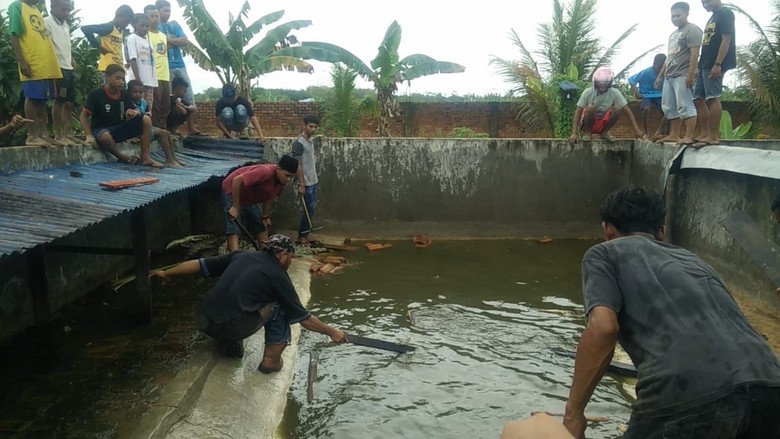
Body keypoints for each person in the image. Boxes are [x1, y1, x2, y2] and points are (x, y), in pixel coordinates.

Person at [563, 185, 780, 439]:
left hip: (687, 391)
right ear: (662, 232)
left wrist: (573, 414)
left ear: (607, 229)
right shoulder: (695, 260)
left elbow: (602, 328)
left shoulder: (603, 254)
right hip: (769, 384)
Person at [150, 234, 348, 372]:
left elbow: (199, 265)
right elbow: (304, 319)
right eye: (291, 257)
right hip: (232, 326)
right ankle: (270, 361)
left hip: (204, 321)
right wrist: (333, 332)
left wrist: (166, 273)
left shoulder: (241, 256)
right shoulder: (278, 276)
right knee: (282, 305)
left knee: (238, 298)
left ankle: (228, 340)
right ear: (282, 255)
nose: (291, 262)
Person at [80, 64, 163, 167]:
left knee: (146, 119)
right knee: (105, 137)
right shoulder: (96, 94)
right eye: (117, 78)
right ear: (107, 77)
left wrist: (134, 112)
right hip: (101, 130)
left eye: (123, 79)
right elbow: (84, 116)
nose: (121, 82)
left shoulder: (124, 94)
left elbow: (135, 109)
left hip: (119, 128)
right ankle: (122, 157)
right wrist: (89, 136)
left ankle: (145, 157)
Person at [9, 0, 63, 148]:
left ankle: (43, 134)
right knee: (32, 97)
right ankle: (32, 136)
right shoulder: (17, 6)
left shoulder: (36, 9)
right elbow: (14, 35)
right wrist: (22, 61)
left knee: (43, 99)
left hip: (45, 63)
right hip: (32, 61)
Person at [222, 155, 299, 252]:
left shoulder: (282, 182)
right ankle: (234, 256)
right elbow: (237, 180)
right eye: (287, 175)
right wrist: (235, 207)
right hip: (233, 189)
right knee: (234, 224)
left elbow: (270, 196)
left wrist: (265, 216)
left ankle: (266, 252)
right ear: (278, 169)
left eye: (291, 177)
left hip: (250, 195)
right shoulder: (265, 172)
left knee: (261, 224)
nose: (288, 179)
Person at [654, 2, 702, 147]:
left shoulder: (693, 30)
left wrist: (691, 74)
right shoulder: (673, 35)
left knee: (685, 105)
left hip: (683, 73)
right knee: (669, 107)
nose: (675, 18)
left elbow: (695, 54)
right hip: (670, 75)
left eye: (678, 15)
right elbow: (669, 58)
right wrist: (660, 76)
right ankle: (674, 134)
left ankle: (689, 135)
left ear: (687, 13)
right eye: (672, 16)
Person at [692, 0, 736, 148]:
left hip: (715, 63)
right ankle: (704, 133)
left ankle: (713, 136)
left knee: (712, 98)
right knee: (698, 98)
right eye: (703, 3)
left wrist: (718, 64)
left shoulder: (725, 13)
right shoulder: (713, 17)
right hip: (704, 63)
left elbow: (726, 39)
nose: (706, 5)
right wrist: (699, 66)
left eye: (708, 1)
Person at [156, 0, 202, 136]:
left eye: (169, 10)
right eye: (165, 10)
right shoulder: (154, 27)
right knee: (169, 98)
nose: (168, 13)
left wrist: (167, 40)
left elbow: (184, 41)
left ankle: (191, 127)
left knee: (187, 95)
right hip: (165, 67)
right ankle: (169, 128)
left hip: (180, 65)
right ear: (158, 11)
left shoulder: (174, 25)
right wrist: (174, 41)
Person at [45, 0, 85, 146]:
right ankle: (59, 134)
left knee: (69, 102)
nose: (67, 13)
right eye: (64, 9)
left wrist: (72, 58)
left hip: (68, 67)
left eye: (69, 10)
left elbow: (64, 44)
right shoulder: (46, 22)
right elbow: (47, 45)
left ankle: (68, 134)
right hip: (57, 68)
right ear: (53, 7)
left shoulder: (65, 25)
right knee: (59, 101)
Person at [567, 67, 643, 144]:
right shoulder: (588, 92)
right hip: (587, 123)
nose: (602, 86)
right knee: (591, 107)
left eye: (604, 84)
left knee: (618, 108)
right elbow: (578, 111)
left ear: (609, 83)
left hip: (603, 122)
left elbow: (627, 109)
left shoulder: (614, 93)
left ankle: (604, 132)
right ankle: (588, 133)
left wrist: (636, 129)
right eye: (600, 84)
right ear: (595, 83)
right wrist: (574, 133)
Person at [128, 79, 182, 167]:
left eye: (140, 92)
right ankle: (170, 160)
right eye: (135, 92)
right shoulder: (129, 102)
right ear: (129, 92)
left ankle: (174, 158)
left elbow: (146, 114)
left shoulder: (143, 103)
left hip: (145, 127)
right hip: (137, 129)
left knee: (167, 133)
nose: (138, 94)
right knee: (162, 133)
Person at [81, 5, 134, 80]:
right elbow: (86, 29)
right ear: (118, 15)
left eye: (127, 23)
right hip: (108, 67)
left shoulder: (120, 30)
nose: (126, 25)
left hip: (119, 66)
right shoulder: (109, 27)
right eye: (125, 22)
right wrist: (98, 46)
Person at [291, 115, 320, 246]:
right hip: (305, 183)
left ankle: (305, 235)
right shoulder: (299, 143)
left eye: (315, 127)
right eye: (310, 126)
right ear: (305, 126)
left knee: (311, 209)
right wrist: (301, 183)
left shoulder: (310, 141)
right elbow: (296, 164)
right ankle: (302, 237)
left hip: (313, 181)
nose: (313, 129)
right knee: (308, 210)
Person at [628, 54, 667, 141]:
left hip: (660, 95)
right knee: (645, 108)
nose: (660, 69)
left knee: (669, 111)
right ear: (654, 64)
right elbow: (631, 80)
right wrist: (637, 93)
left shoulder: (666, 73)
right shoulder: (646, 72)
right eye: (659, 67)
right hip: (646, 96)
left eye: (663, 67)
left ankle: (661, 132)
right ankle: (646, 133)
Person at [145, 4, 171, 132]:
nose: (155, 18)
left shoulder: (163, 36)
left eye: (156, 16)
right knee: (156, 105)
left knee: (166, 105)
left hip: (165, 74)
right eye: (152, 16)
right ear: (146, 18)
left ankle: (163, 129)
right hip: (154, 75)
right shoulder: (146, 35)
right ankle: (155, 131)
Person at [125, 13, 157, 117]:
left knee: (148, 108)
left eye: (147, 26)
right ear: (134, 24)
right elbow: (132, 59)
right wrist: (138, 80)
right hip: (137, 81)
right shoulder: (132, 38)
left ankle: (147, 130)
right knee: (135, 108)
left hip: (150, 81)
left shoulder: (149, 41)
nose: (145, 28)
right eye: (142, 25)